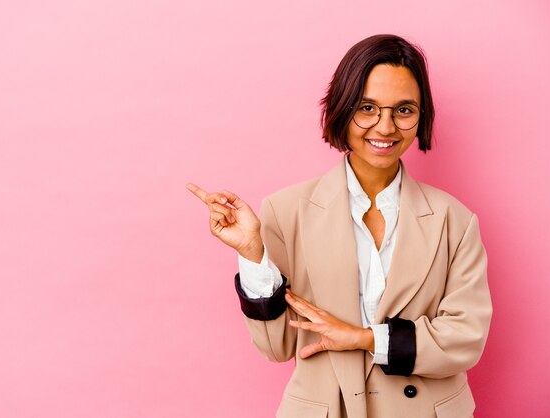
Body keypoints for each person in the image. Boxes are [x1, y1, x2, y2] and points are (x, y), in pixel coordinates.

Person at [186, 34, 491, 418]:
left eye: (404, 110)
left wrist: (364, 339)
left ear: (421, 116)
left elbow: (467, 338)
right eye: (367, 107)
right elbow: (275, 347)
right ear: (342, 109)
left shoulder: (455, 221)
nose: (386, 126)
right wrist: (252, 254)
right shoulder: (286, 211)